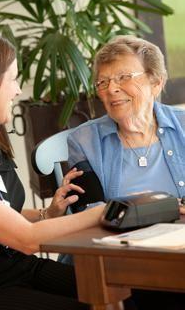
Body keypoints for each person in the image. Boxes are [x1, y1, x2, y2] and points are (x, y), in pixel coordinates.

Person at [0, 27, 106, 310]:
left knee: (113, 288)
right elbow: (25, 239)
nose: (19, 89)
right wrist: (105, 212)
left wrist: (48, 213)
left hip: (16, 267)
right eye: (13, 79)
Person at [66, 35, 185, 309]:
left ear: (156, 82)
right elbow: (90, 212)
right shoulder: (83, 141)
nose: (112, 89)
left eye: (123, 77)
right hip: (119, 265)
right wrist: (169, 211)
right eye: (103, 82)